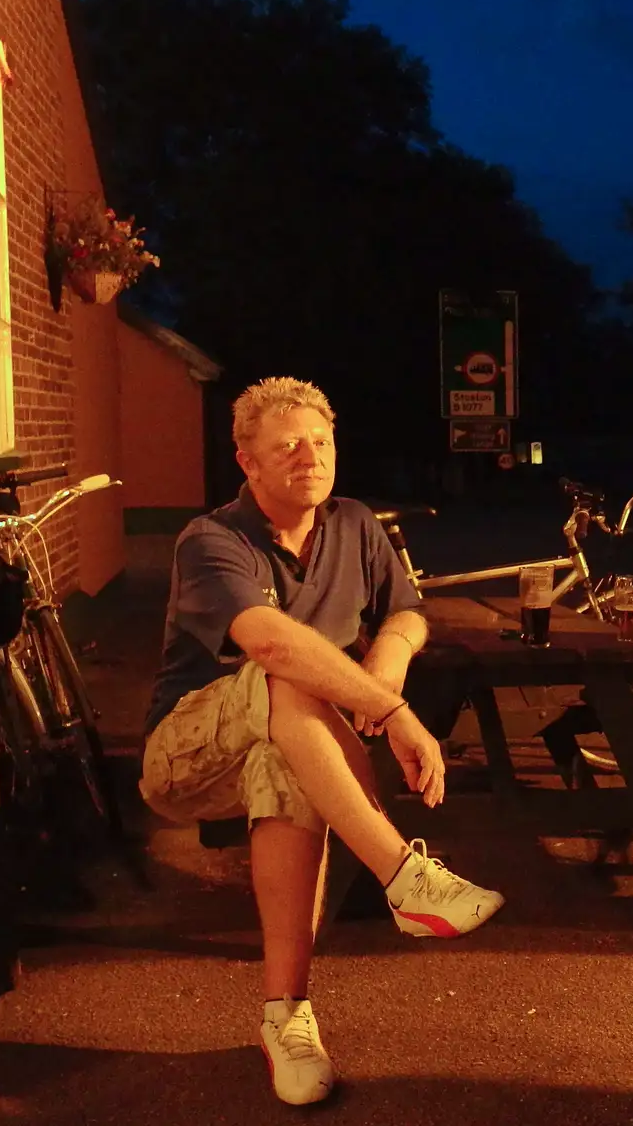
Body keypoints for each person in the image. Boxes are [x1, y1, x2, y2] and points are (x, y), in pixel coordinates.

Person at [138, 377, 504, 1107]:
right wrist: (393, 712)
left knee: (292, 762)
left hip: (294, 741)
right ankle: (404, 876)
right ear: (248, 462)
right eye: (288, 446)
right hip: (185, 753)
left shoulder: (356, 523)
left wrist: (386, 660)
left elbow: (405, 611)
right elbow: (269, 644)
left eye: (322, 442)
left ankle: (288, 1018)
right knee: (290, 671)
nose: (311, 456)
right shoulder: (212, 538)